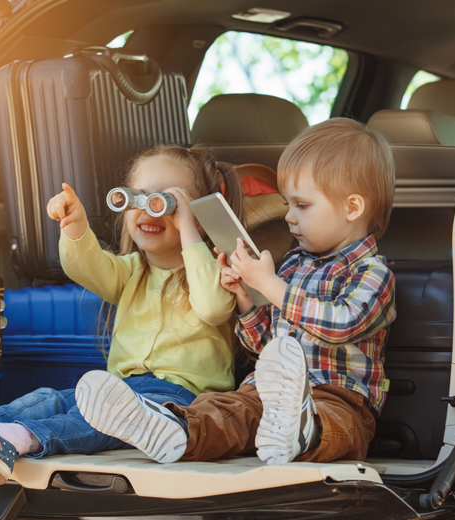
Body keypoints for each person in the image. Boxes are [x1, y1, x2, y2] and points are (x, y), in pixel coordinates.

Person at [0, 145, 244, 485]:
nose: (148, 210)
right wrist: (76, 225)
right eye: (138, 198)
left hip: (178, 399)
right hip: (117, 386)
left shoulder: (215, 271)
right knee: (51, 398)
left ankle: (17, 439)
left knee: (91, 420)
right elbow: (85, 266)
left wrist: (191, 232)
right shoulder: (131, 271)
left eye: (165, 201)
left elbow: (212, 308)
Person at [76, 118, 396, 466]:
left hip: (337, 395)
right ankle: (174, 430)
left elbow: (341, 325)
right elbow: (265, 346)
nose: (289, 218)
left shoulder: (372, 273)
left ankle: (303, 430)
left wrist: (272, 286)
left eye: (301, 206)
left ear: (352, 207)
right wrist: (245, 299)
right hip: (265, 393)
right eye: (287, 205)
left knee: (341, 428)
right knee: (225, 410)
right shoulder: (291, 265)